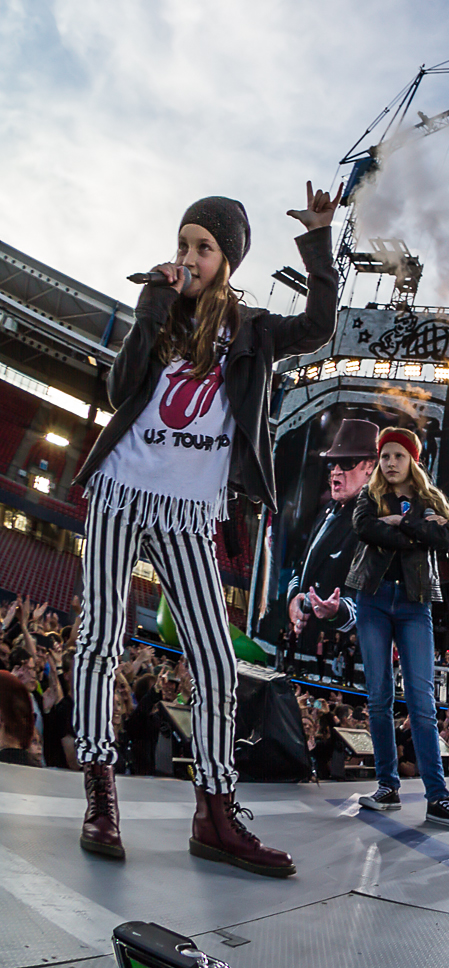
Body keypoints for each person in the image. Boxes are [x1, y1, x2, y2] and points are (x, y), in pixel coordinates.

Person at [71, 186, 340, 876]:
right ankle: (100, 792)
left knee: (218, 662)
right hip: (122, 492)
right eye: (184, 243)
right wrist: (150, 306)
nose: (188, 257)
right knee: (101, 638)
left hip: (189, 512)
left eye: (204, 247)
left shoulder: (250, 330)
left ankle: (216, 812)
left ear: (227, 260)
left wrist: (317, 240)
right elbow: (119, 391)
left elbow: (316, 325)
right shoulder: (159, 305)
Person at [343, 426, 449, 829]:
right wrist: (416, 527)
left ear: (413, 461)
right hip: (373, 598)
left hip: (415, 604)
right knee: (380, 697)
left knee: (422, 702)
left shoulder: (430, 499)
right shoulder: (370, 496)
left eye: (398, 456)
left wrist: (400, 522)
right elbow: (364, 528)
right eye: (385, 456)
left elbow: (448, 536)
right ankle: (387, 787)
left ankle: (438, 798)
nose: (390, 463)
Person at [285, 418, 379, 655]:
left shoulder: (370, 520)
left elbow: (364, 595)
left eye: (347, 462)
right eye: (333, 463)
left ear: (369, 466)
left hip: (336, 654)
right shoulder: (328, 511)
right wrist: (294, 600)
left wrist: (337, 611)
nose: (336, 471)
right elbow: (301, 564)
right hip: (302, 644)